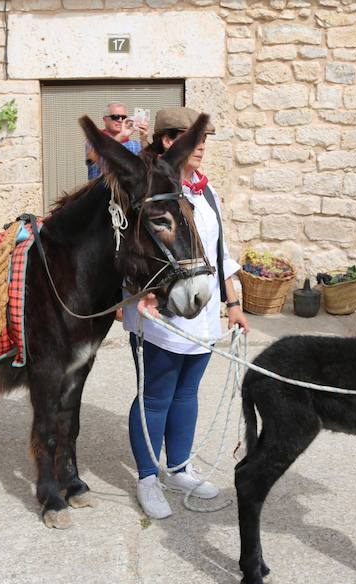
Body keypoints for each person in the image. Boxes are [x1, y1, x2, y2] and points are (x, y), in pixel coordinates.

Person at [123, 107, 248, 519]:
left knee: (188, 394)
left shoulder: (204, 191)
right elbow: (131, 249)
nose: (202, 148)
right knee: (156, 396)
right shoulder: (150, 188)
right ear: (167, 141)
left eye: (205, 140)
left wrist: (234, 304)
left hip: (205, 310)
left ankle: (177, 468)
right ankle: (147, 478)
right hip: (161, 312)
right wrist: (137, 293)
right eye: (194, 139)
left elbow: (219, 252)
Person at [86, 102, 149, 180]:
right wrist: (121, 135)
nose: (120, 120)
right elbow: (97, 167)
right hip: (102, 190)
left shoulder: (133, 144)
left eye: (123, 117)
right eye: (115, 117)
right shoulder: (93, 140)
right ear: (105, 119)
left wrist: (144, 139)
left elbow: (148, 164)